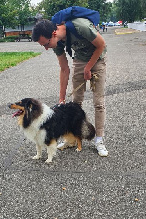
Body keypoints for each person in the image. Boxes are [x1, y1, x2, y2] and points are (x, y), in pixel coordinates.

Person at [32, 17, 108, 157]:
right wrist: (61, 98)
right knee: (75, 103)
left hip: (97, 58)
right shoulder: (57, 43)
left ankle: (99, 140)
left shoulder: (81, 26)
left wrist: (89, 68)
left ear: (54, 34)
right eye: (43, 46)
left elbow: (101, 44)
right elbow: (64, 69)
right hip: (80, 60)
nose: (47, 48)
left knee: (98, 102)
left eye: (46, 44)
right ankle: (72, 140)